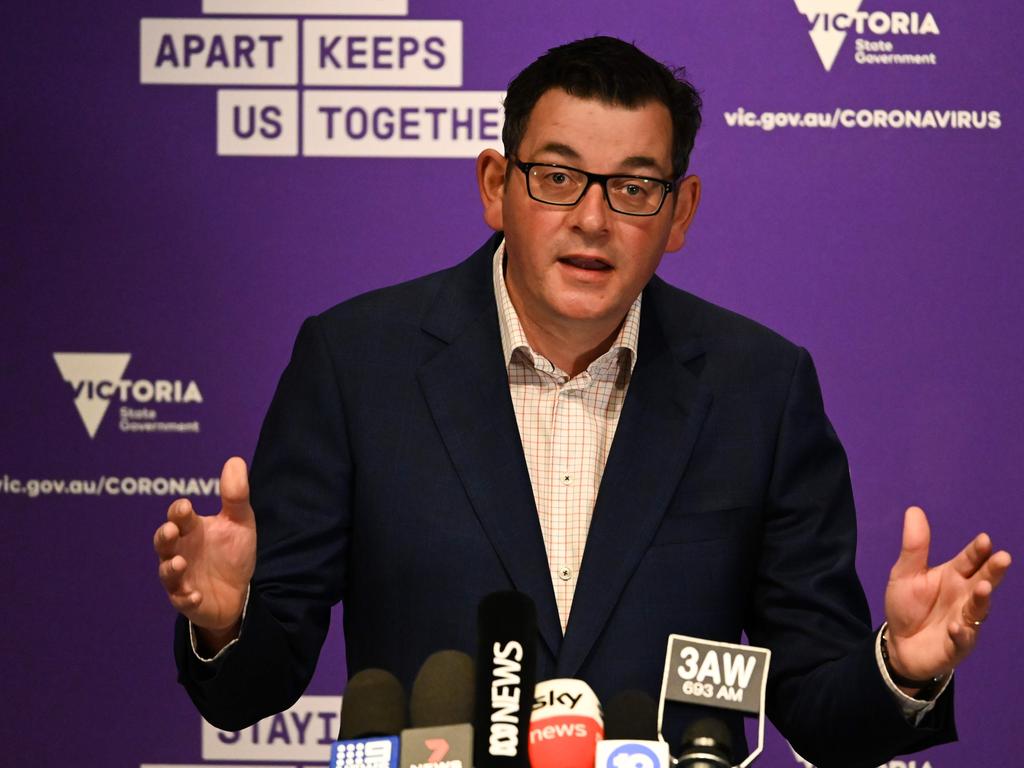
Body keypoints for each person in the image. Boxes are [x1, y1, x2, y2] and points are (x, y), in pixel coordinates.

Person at [153, 37, 1011, 766]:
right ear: (497, 184)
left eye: (635, 188)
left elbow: (820, 705)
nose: (594, 220)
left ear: (681, 213)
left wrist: (901, 667)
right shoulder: (355, 364)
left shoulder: (760, 388)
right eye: (558, 177)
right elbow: (251, 692)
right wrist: (228, 626)